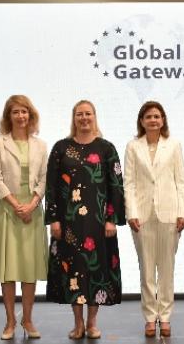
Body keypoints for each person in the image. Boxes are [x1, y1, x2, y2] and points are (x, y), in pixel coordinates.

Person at [45, 100, 126, 340]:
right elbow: (51, 185)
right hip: (69, 224)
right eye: (79, 114)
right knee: (75, 273)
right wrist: (54, 220)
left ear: (94, 117)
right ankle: (77, 323)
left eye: (88, 114)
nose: (84, 118)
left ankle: (92, 323)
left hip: (99, 223)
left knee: (96, 271)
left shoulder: (107, 148)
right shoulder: (61, 148)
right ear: (74, 118)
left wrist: (112, 219)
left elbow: (116, 186)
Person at [0, 95, 48, 340]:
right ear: (8, 116)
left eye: (25, 112)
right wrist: (16, 205)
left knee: (29, 268)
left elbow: (43, 178)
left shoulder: (41, 145)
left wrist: (31, 204)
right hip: (8, 210)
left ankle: (28, 320)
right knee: (9, 269)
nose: (21, 116)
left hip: (32, 210)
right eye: (16, 112)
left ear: (30, 116)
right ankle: (10, 321)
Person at [123, 101, 184, 338]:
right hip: (142, 216)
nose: (153, 120)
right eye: (148, 116)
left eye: (157, 116)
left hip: (170, 214)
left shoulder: (174, 145)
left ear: (163, 120)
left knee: (167, 270)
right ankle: (150, 317)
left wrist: (183, 212)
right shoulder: (133, 146)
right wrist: (131, 213)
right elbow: (128, 182)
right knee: (147, 270)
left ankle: (166, 317)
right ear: (141, 121)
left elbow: (181, 181)